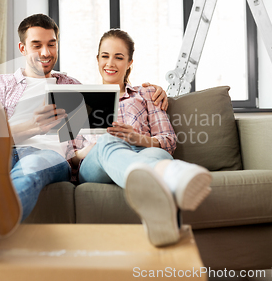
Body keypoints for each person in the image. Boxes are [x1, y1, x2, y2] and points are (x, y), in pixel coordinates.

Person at [0, 14, 171, 259]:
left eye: (51, 44)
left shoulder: (72, 86)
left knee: (30, 169)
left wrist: (154, 91)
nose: (46, 52)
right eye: (36, 45)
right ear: (22, 48)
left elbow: (79, 146)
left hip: (46, 155)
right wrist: (30, 127)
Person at [66, 29, 212, 246]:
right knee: (108, 140)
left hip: (144, 151)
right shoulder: (79, 100)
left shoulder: (146, 94)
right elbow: (70, 157)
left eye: (119, 57)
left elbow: (168, 141)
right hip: (97, 164)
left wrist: (138, 138)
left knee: (158, 153)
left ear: (130, 62)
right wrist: (93, 147)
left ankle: (158, 204)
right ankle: (172, 177)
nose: (110, 63)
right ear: (97, 59)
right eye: (105, 56)